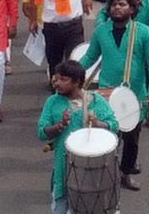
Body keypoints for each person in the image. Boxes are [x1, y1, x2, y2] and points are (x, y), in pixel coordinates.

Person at [79, 0, 149, 192]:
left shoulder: (144, 33)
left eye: (122, 4)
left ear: (132, 9)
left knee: (131, 138)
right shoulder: (101, 32)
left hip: (134, 96)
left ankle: (126, 173)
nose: (117, 7)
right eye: (114, 4)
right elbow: (90, 57)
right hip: (106, 94)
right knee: (107, 135)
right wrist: (71, 73)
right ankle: (105, 173)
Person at [37, 60, 119, 214]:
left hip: (93, 171)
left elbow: (114, 125)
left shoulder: (96, 101)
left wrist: (98, 124)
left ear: (77, 82)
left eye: (63, 79)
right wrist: (59, 126)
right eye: (57, 78)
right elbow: (41, 132)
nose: (57, 83)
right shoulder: (52, 102)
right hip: (63, 168)